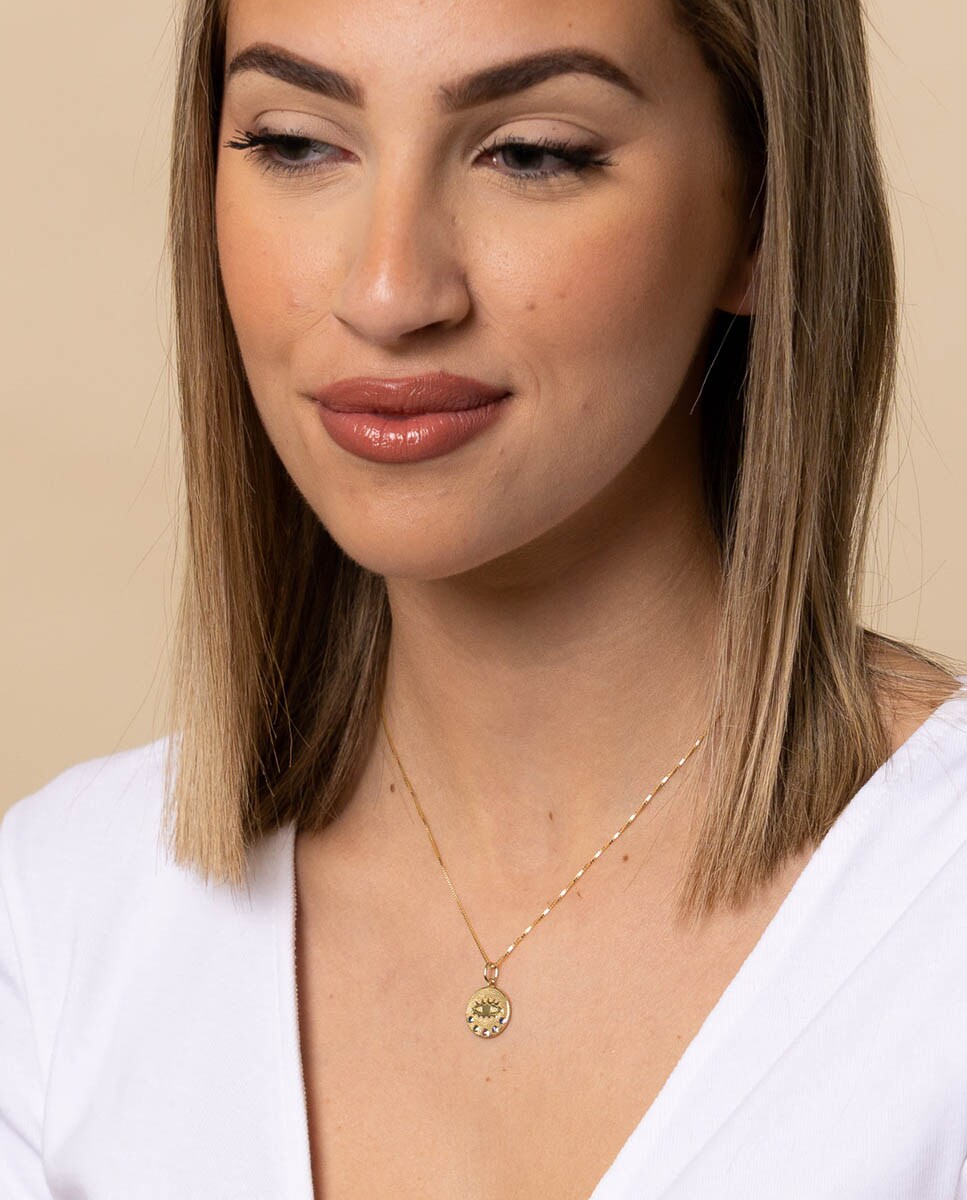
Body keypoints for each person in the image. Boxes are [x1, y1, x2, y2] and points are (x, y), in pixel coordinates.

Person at [2, 0, 966, 1196]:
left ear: (764, 211)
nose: (387, 290)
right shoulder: (58, 919)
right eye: (295, 143)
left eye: (531, 154)